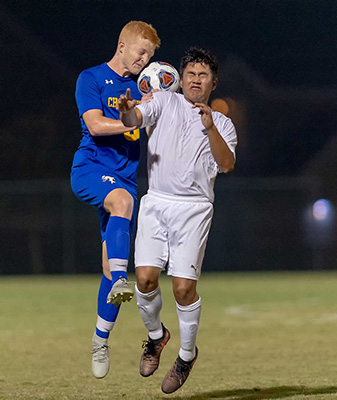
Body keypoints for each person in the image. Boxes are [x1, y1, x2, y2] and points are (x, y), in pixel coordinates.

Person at [118, 46, 237, 394]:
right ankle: (157, 338)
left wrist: (209, 125)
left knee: (183, 289)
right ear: (180, 79)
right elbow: (135, 119)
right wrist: (127, 112)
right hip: (156, 202)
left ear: (213, 83)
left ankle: (186, 355)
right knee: (143, 279)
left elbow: (226, 165)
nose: (195, 80)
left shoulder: (223, 123)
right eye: (190, 74)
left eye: (202, 75)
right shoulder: (164, 101)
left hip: (194, 209)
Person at [70, 21, 160, 379]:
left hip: (123, 177)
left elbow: (153, 132)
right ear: (122, 44)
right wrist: (131, 119)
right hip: (90, 169)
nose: (144, 59)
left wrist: (154, 111)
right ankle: (125, 277)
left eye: (150, 55)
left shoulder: (143, 88)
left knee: (109, 270)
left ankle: (99, 339)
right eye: (141, 51)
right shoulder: (90, 78)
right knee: (123, 202)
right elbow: (94, 125)